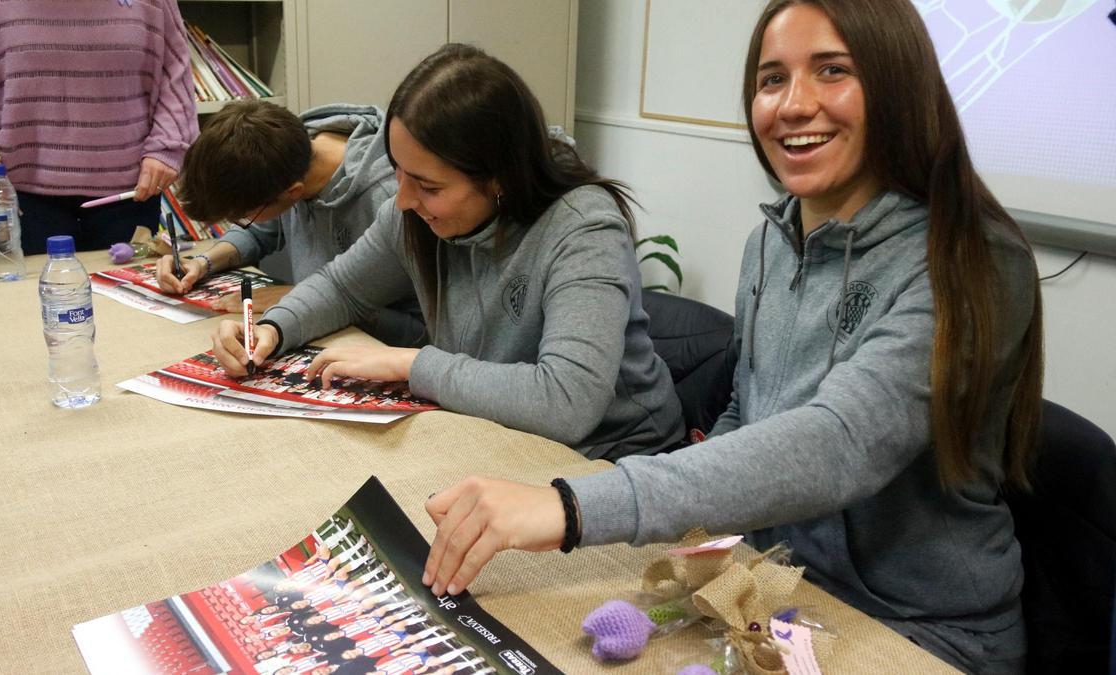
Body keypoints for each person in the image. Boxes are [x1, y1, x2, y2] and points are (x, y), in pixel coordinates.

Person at [422, 2, 1045, 673]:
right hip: (777, 586)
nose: (794, 104)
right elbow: (749, 413)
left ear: (898, 86)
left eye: (832, 71)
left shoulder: (975, 258)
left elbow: (839, 443)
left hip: (920, 629)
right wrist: (696, 550)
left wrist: (573, 504)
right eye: (772, 80)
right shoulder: (769, 245)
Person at [210, 44, 684, 460]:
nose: (402, 200)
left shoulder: (583, 228)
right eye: (397, 172)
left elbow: (566, 401)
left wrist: (413, 364)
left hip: (611, 455)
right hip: (494, 432)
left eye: (428, 186)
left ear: (500, 178)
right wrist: (273, 329)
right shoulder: (415, 212)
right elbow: (342, 287)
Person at [0, 0, 198, 254]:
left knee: (132, 301)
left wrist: (168, 144)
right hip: (19, 200)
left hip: (130, 195)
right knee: (21, 304)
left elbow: (176, 73)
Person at [158, 101, 425, 347]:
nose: (242, 223)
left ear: (294, 194)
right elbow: (259, 231)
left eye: (242, 216)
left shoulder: (390, 199)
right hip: (317, 324)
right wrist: (203, 262)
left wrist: (303, 298)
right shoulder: (284, 157)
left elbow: (423, 329)